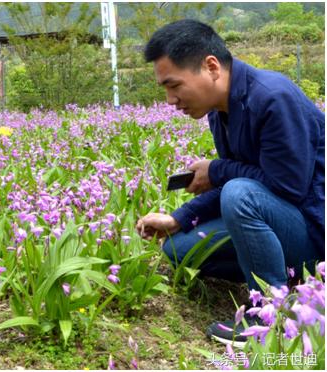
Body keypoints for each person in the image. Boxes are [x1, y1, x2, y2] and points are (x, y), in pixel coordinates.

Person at [136, 20, 324, 346]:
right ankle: (284, 278)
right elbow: (240, 178)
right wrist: (178, 219)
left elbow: (287, 188)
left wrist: (218, 170)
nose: (169, 99)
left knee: (239, 194)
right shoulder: (218, 111)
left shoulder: (272, 98)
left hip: (313, 226)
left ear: (211, 67)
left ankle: (269, 314)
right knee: (180, 249)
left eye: (174, 85)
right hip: (280, 219)